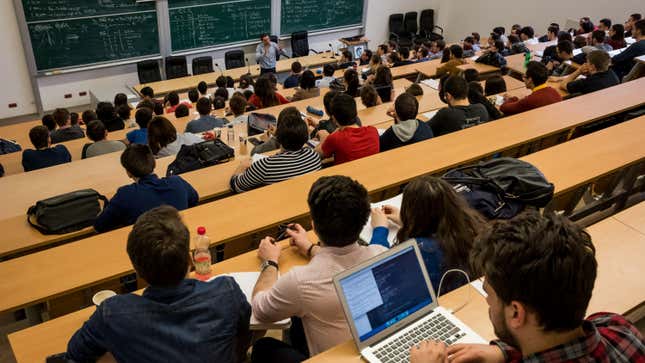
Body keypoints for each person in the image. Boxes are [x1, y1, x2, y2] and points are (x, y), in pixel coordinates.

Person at [409, 211, 645, 363]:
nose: (487, 301)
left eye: (489, 293)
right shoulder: (618, 328)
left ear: (516, 313)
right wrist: (505, 352)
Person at [68, 205, 251, 362]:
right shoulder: (226, 292)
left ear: (137, 270)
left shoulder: (113, 314)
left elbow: (75, 353)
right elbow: (243, 336)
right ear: (190, 260)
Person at [250, 176, 388, 361]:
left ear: (313, 225)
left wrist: (270, 263)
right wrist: (309, 247)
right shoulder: (381, 254)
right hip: (370, 350)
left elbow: (260, 310)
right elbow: (341, 259)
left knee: (263, 346)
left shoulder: (300, 281)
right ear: (363, 222)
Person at [370, 176, 484, 292]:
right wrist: (407, 222)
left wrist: (380, 229)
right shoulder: (470, 226)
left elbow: (381, 273)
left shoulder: (423, 250)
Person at [93, 145, 199, 232]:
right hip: (179, 239)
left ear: (128, 173)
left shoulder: (125, 195)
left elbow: (99, 226)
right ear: (154, 163)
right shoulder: (177, 182)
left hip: (147, 248)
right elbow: (194, 200)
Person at [230, 107, 322, 193]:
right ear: (306, 136)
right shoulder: (314, 156)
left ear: (279, 138)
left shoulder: (264, 166)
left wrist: (242, 166)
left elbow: (235, 185)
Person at [316, 94, 379, 165]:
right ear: (356, 113)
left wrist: (323, 139)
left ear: (333, 119)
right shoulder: (373, 131)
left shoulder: (335, 139)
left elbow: (316, 155)